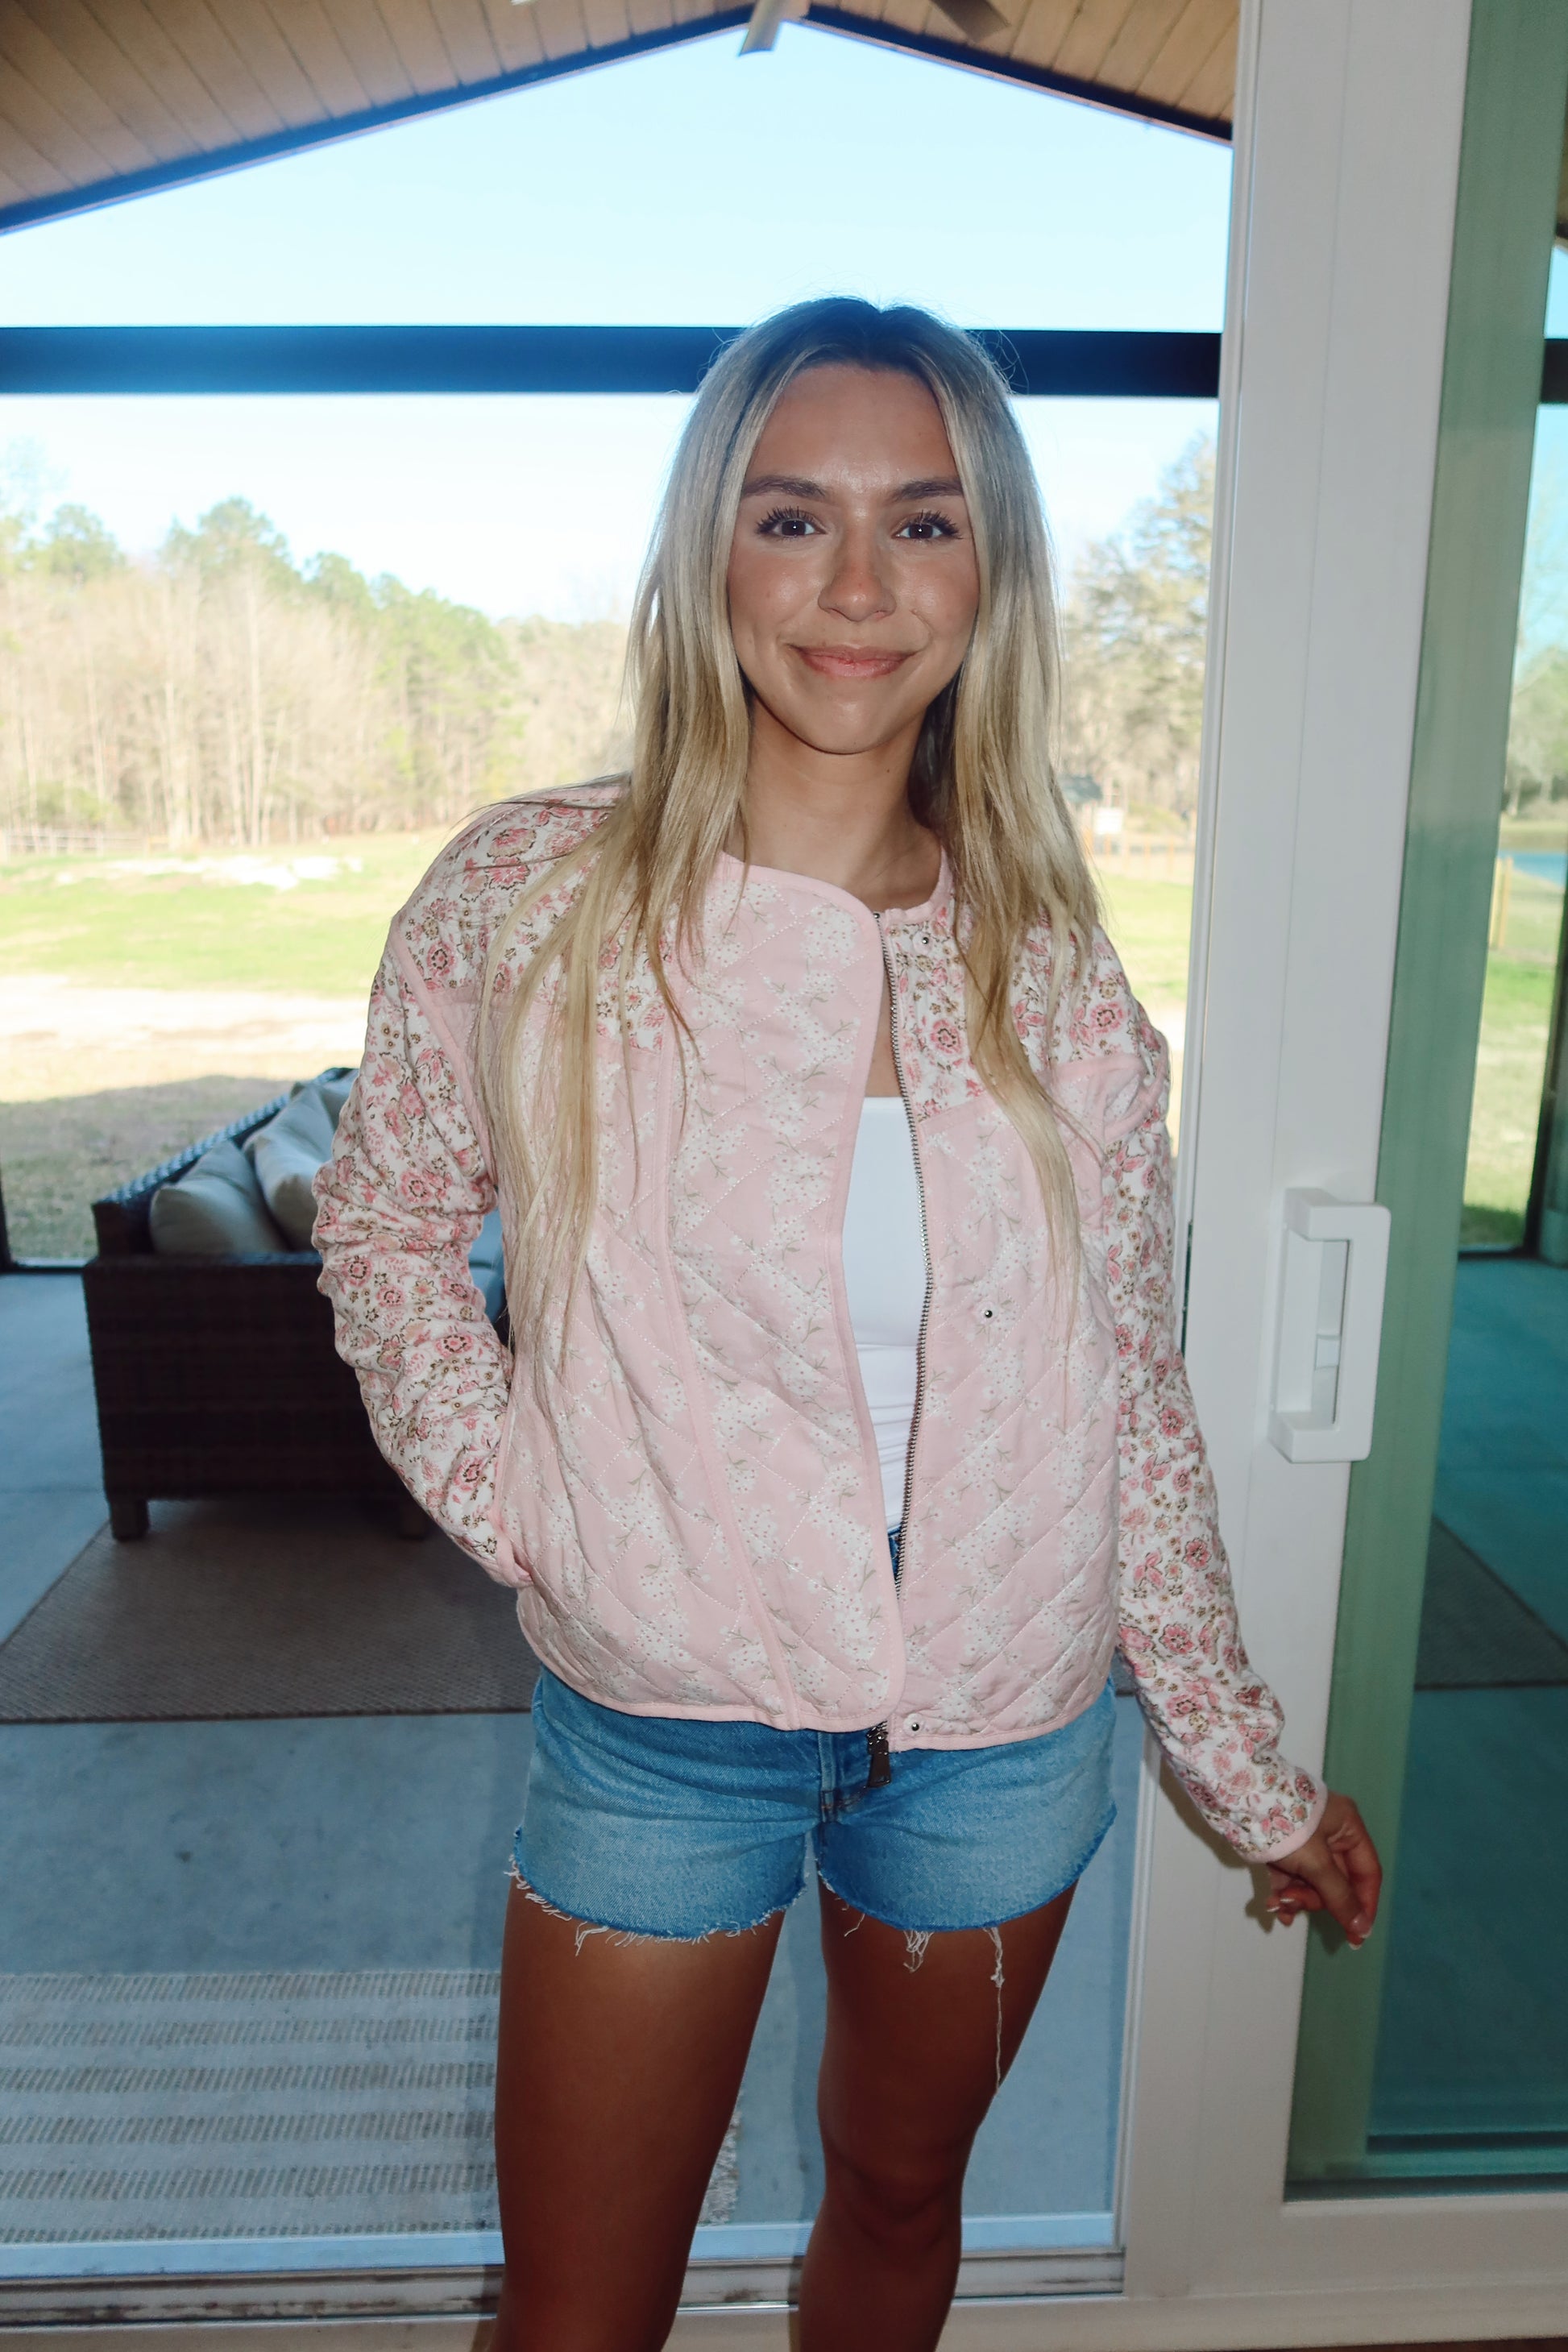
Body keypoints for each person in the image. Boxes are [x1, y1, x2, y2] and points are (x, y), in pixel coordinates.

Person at [313, 297, 1381, 2352]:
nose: (860, 587)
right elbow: (387, 1227)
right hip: (660, 1724)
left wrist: (1245, 1768)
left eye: (926, 521)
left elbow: (1127, 1393)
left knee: (898, 2197)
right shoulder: (527, 896)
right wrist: (535, 1504)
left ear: (990, 577)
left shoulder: (1046, 959)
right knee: (579, 2313)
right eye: (795, 517)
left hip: (999, 1739)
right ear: (710, 548)